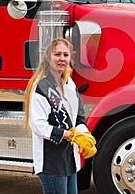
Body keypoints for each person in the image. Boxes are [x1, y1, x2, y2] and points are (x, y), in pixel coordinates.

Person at [24, 38, 96, 194]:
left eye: (65, 54)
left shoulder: (69, 83)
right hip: (51, 161)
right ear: (48, 58)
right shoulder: (41, 87)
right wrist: (66, 134)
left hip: (69, 158)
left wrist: (82, 134)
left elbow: (79, 115)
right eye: (57, 54)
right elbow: (37, 125)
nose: (62, 58)